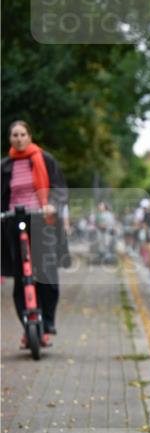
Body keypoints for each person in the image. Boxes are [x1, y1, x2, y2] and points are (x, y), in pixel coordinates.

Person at [1, 120, 69, 348]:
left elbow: (59, 189)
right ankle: (27, 326)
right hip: (13, 220)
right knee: (21, 278)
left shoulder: (45, 159)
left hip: (41, 219)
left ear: (29, 136)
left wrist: (51, 204)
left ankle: (47, 322)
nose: (19, 138)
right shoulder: (5, 165)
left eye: (22, 134)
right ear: (10, 139)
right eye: (14, 135)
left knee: (46, 274)